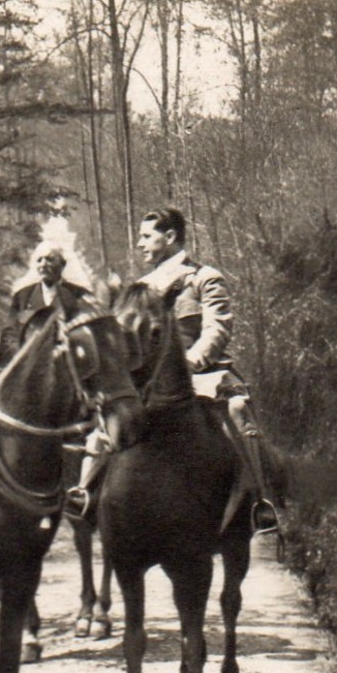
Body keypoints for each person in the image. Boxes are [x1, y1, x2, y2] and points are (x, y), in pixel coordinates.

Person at [67, 208, 278, 532]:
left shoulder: (205, 277)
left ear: (170, 237)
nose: (139, 244)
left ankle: (259, 503)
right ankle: (86, 491)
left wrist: (190, 361)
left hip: (201, 372)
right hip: (146, 378)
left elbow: (217, 329)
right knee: (112, 414)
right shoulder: (139, 287)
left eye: (146, 236)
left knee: (236, 410)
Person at [4, 242, 93, 354]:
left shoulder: (79, 294)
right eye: (39, 260)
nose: (43, 264)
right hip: (32, 364)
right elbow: (9, 335)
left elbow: (90, 335)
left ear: (62, 264)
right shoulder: (22, 297)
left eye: (50, 259)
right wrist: (21, 355)